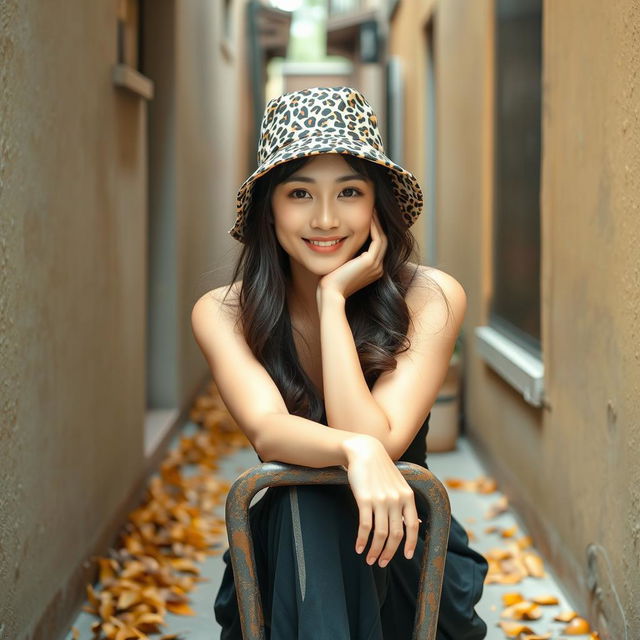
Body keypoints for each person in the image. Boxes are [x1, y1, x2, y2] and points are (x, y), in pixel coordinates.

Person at [191, 86, 487, 639]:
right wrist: (352, 450)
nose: (326, 218)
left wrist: (332, 303)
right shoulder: (224, 311)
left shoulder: (432, 296)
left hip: (398, 549)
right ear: (269, 209)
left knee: (315, 494)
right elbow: (270, 430)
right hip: (287, 564)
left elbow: (383, 437)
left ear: (376, 204)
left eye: (348, 191)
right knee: (304, 495)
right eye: (300, 193)